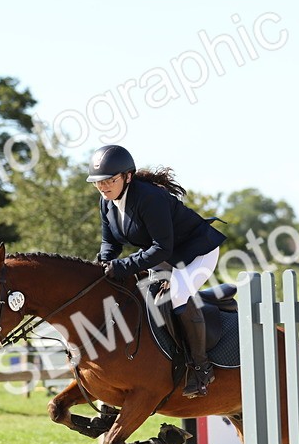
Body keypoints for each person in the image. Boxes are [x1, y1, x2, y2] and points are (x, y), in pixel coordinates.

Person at [87, 144, 227, 397]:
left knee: (177, 295)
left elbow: (162, 248)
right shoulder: (107, 203)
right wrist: (103, 264)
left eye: (109, 180)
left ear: (127, 176)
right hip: (164, 255)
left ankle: (201, 367)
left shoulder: (149, 197)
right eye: (98, 182)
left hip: (197, 252)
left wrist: (122, 266)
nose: (103, 187)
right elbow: (110, 243)